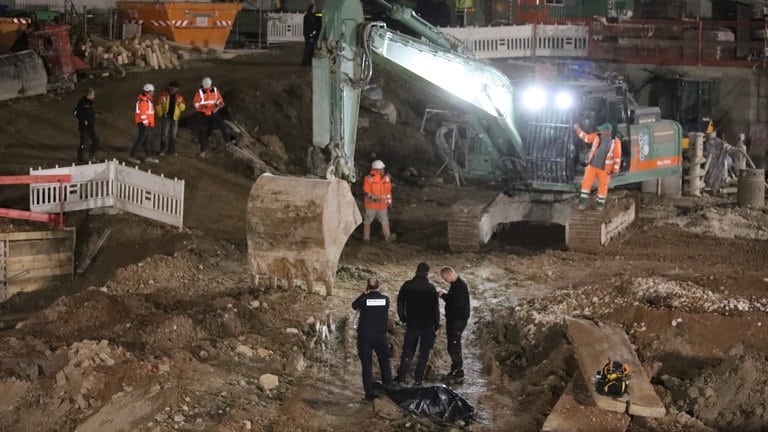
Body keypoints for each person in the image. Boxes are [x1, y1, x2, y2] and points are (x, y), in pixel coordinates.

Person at [394, 262, 440, 386]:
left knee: (408, 350)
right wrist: (437, 325)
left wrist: (403, 318)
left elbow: (400, 303)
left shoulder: (407, 285)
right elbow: (436, 308)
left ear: (416, 270)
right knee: (424, 353)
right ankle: (418, 380)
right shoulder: (431, 287)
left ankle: (401, 377)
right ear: (427, 272)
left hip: (412, 323)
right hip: (428, 325)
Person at [352, 276, 393, 401]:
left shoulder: (364, 300)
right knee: (384, 361)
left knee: (367, 365)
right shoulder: (386, 300)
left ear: (368, 287)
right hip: (380, 336)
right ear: (379, 286)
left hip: (365, 336)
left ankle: (369, 394)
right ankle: (389, 388)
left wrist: (363, 293)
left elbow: (354, 306)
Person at [573, 122, 622, 211]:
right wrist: (577, 130)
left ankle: (600, 204)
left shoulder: (615, 142)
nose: (600, 132)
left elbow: (617, 157)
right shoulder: (596, 136)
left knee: (603, 186)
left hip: (605, 169)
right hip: (592, 165)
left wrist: (615, 169)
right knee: (586, 182)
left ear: (607, 132)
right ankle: (583, 202)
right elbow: (586, 138)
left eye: (602, 130)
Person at [438, 266, 470, 380]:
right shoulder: (456, 285)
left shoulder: (459, 286)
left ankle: (458, 371)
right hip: (455, 319)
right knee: (453, 345)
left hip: (457, 320)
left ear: (450, 274)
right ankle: (455, 368)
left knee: (454, 346)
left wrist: (443, 296)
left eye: (445, 278)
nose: (445, 281)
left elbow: (454, 303)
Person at [363, 159, 396, 242]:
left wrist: (389, 202)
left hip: (382, 205)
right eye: (380, 169)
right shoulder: (369, 178)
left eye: (382, 169)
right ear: (375, 170)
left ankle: (388, 237)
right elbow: (366, 190)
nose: (382, 171)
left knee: (385, 220)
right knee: (367, 221)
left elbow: (388, 192)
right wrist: (373, 198)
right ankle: (366, 238)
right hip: (371, 205)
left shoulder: (386, 179)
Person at [193, 76, 226, 158]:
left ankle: (225, 141)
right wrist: (202, 107)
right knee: (202, 131)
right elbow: (196, 103)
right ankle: (203, 149)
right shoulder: (200, 92)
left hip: (212, 113)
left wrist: (220, 103)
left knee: (211, 129)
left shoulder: (215, 90)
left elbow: (218, 99)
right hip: (202, 114)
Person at [127, 83, 158, 164]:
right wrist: (146, 123)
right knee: (141, 140)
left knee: (145, 141)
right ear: (149, 91)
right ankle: (132, 156)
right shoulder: (144, 101)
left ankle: (148, 156)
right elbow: (143, 113)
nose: (153, 92)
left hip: (146, 123)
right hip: (144, 124)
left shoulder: (146, 99)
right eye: (152, 91)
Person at [156, 81, 186, 156]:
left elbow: (183, 108)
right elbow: (158, 105)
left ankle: (171, 150)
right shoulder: (163, 95)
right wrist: (161, 114)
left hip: (175, 118)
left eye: (175, 88)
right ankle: (162, 150)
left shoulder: (179, 97)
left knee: (173, 135)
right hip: (167, 117)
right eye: (173, 87)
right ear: (169, 87)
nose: (174, 89)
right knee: (164, 134)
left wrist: (179, 103)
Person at [73, 87, 100, 164]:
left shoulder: (90, 103)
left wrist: (94, 114)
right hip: (84, 127)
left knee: (96, 141)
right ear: (89, 95)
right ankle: (80, 158)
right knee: (84, 143)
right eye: (93, 95)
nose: (94, 96)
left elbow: (89, 113)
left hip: (91, 126)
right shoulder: (82, 103)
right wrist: (84, 120)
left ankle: (91, 157)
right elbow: (76, 113)